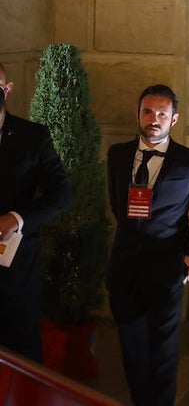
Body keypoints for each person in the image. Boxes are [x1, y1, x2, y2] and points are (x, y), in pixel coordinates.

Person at [106, 84, 189, 406]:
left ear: (174, 119)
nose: (153, 120)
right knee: (131, 349)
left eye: (162, 114)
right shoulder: (117, 156)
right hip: (124, 267)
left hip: (167, 266)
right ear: (138, 114)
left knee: (162, 349)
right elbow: (118, 205)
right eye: (148, 112)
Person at [0, 63, 73, 361]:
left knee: (21, 353)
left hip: (15, 265)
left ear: (7, 88)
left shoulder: (32, 137)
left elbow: (62, 193)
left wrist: (17, 219)